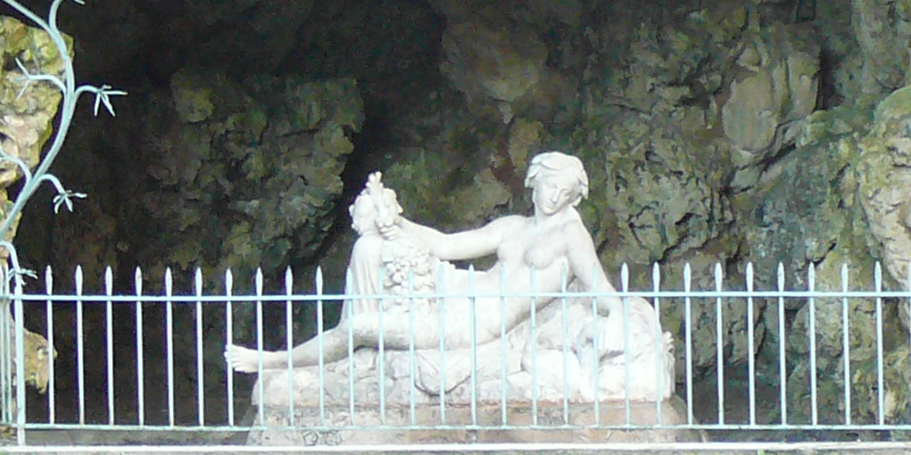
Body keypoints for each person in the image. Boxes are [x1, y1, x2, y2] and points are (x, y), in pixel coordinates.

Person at [226, 152, 618, 373]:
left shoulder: (570, 234)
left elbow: (600, 289)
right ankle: (359, 356)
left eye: (564, 192)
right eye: (550, 186)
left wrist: (615, 321)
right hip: (461, 290)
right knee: (372, 246)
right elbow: (446, 246)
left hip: (475, 322)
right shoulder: (513, 226)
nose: (554, 198)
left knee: (363, 325)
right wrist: (397, 220)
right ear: (535, 183)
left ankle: (278, 361)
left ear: (573, 197)